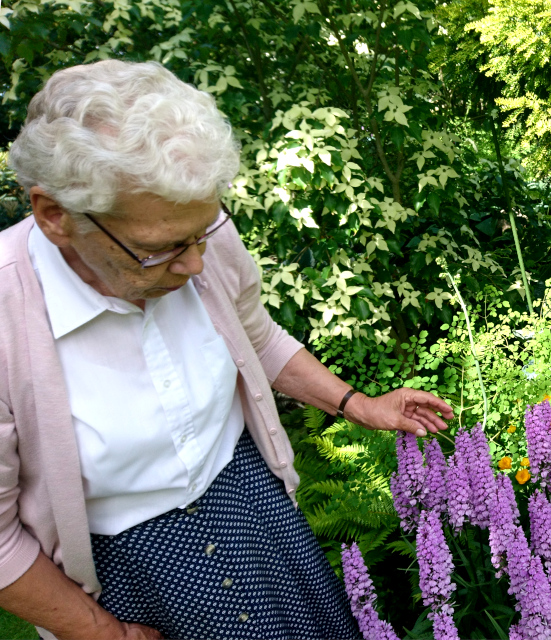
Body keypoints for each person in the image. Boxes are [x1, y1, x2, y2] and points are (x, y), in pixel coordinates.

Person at [0, 59, 452, 640]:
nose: (194, 265)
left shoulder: (198, 236)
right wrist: (102, 632)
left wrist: (357, 404)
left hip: (254, 510)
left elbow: (255, 338)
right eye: (158, 248)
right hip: (132, 574)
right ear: (56, 216)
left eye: (202, 234)